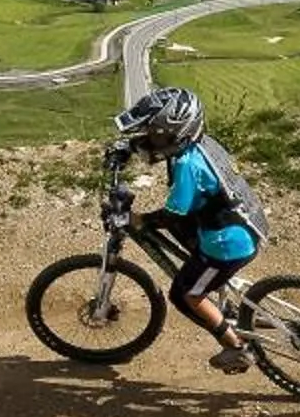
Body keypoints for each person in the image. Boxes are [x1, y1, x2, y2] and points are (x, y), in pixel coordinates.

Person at [100, 86, 269, 373]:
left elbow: (172, 215)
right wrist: (128, 147)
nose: (151, 138)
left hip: (227, 244)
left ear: (176, 134)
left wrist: (138, 220)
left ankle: (237, 348)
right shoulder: (200, 144)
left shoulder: (188, 166)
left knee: (185, 294)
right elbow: (157, 147)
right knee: (189, 244)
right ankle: (226, 306)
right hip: (242, 223)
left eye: (156, 133)